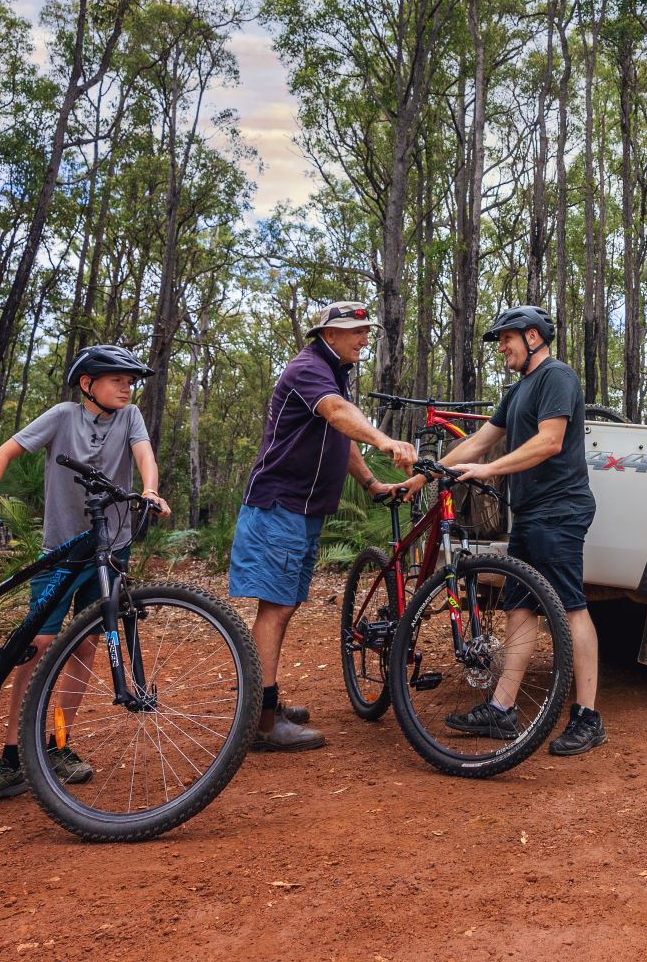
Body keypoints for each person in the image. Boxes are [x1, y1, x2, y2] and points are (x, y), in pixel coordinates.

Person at [0, 344, 171, 810]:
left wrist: (149, 490)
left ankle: (57, 744)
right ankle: (12, 756)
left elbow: (144, 454)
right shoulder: (61, 415)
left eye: (130, 380)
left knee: (87, 645)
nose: (127, 387)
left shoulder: (130, 417)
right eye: (117, 379)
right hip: (62, 549)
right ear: (87, 384)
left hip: (111, 548)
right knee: (39, 646)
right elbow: (1, 454)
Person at [232, 300, 416, 750]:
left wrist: (371, 482)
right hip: (279, 505)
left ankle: (263, 699)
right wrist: (386, 440)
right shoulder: (309, 367)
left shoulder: (333, 373)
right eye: (355, 331)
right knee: (275, 608)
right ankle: (260, 721)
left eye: (366, 331)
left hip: (303, 510)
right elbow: (337, 414)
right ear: (328, 335)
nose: (365, 338)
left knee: (284, 605)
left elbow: (338, 435)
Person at [436, 305, 606, 757]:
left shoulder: (558, 377)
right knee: (519, 608)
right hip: (529, 512)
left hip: (561, 510)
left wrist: (488, 470)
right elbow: (478, 441)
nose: (502, 348)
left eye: (506, 338)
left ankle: (588, 717)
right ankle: (502, 709)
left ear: (533, 336)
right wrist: (429, 473)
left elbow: (550, 441)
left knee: (569, 607)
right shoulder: (517, 391)